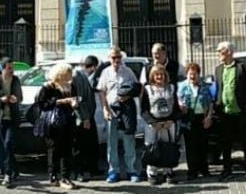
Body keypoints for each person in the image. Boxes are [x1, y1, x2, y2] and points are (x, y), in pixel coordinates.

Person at [214, 41, 246, 180]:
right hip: (225, 112)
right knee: (226, 143)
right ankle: (227, 170)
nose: (218, 54)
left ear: (229, 52)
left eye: (220, 51)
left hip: (241, 110)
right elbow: (219, 88)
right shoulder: (218, 69)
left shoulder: (243, 66)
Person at [98, 47, 142, 183]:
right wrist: (105, 109)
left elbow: (137, 87)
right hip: (112, 109)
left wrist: (128, 95)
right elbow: (102, 92)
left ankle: (131, 170)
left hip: (126, 110)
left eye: (118, 58)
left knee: (129, 139)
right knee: (112, 141)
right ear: (109, 59)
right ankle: (113, 170)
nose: (116, 60)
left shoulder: (128, 71)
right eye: (113, 58)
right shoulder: (105, 72)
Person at [36, 62, 78, 190]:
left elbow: (75, 100)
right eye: (68, 72)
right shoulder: (49, 87)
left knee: (67, 150)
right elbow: (42, 104)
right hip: (54, 123)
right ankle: (53, 176)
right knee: (54, 149)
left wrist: (75, 103)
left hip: (68, 121)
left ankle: (65, 177)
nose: (71, 75)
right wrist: (60, 101)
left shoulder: (71, 87)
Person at [141, 64, 180, 185]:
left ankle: (168, 171)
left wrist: (171, 120)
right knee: (152, 147)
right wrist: (153, 122)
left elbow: (176, 107)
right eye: (157, 74)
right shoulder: (147, 89)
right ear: (152, 76)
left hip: (168, 123)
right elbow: (144, 109)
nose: (159, 77)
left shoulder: (172, 88)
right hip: (153, 124)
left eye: (161, 74)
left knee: (168, 146)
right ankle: (151, 172)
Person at [177, 63, 214, 180]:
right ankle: (192, 171)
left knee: (203, 145)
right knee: (190, 147)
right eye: (190, 74)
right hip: (188, 119)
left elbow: (210, 103)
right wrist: (180, 105)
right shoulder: (182, 86)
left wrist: (209, 117)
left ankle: (204, 169)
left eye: (195, 74)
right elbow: (178, 100)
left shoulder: (204, 86)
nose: (192, 77)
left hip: (201, 118)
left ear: (198, 74)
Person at [0, 58, 23, 188]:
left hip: (13, 118)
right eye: (9, 68)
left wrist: (16, 99)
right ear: (3, 69)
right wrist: (1, 100)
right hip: (1, 117)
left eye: (12, 68)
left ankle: (7, 174)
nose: (11, 71)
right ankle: (15, 170)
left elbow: (20, 97)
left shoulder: (16, 80)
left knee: (9, 143)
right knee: (6, 146)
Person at [72, 55, 99, 182]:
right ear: (93, 67)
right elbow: (80, 99)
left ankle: (92, 168)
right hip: (82, 117)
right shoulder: (78, 77)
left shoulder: (85, 76)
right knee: (80, 146)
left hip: (89, 115)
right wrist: (85, 118)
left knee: (92, 143)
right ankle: (79, 171)